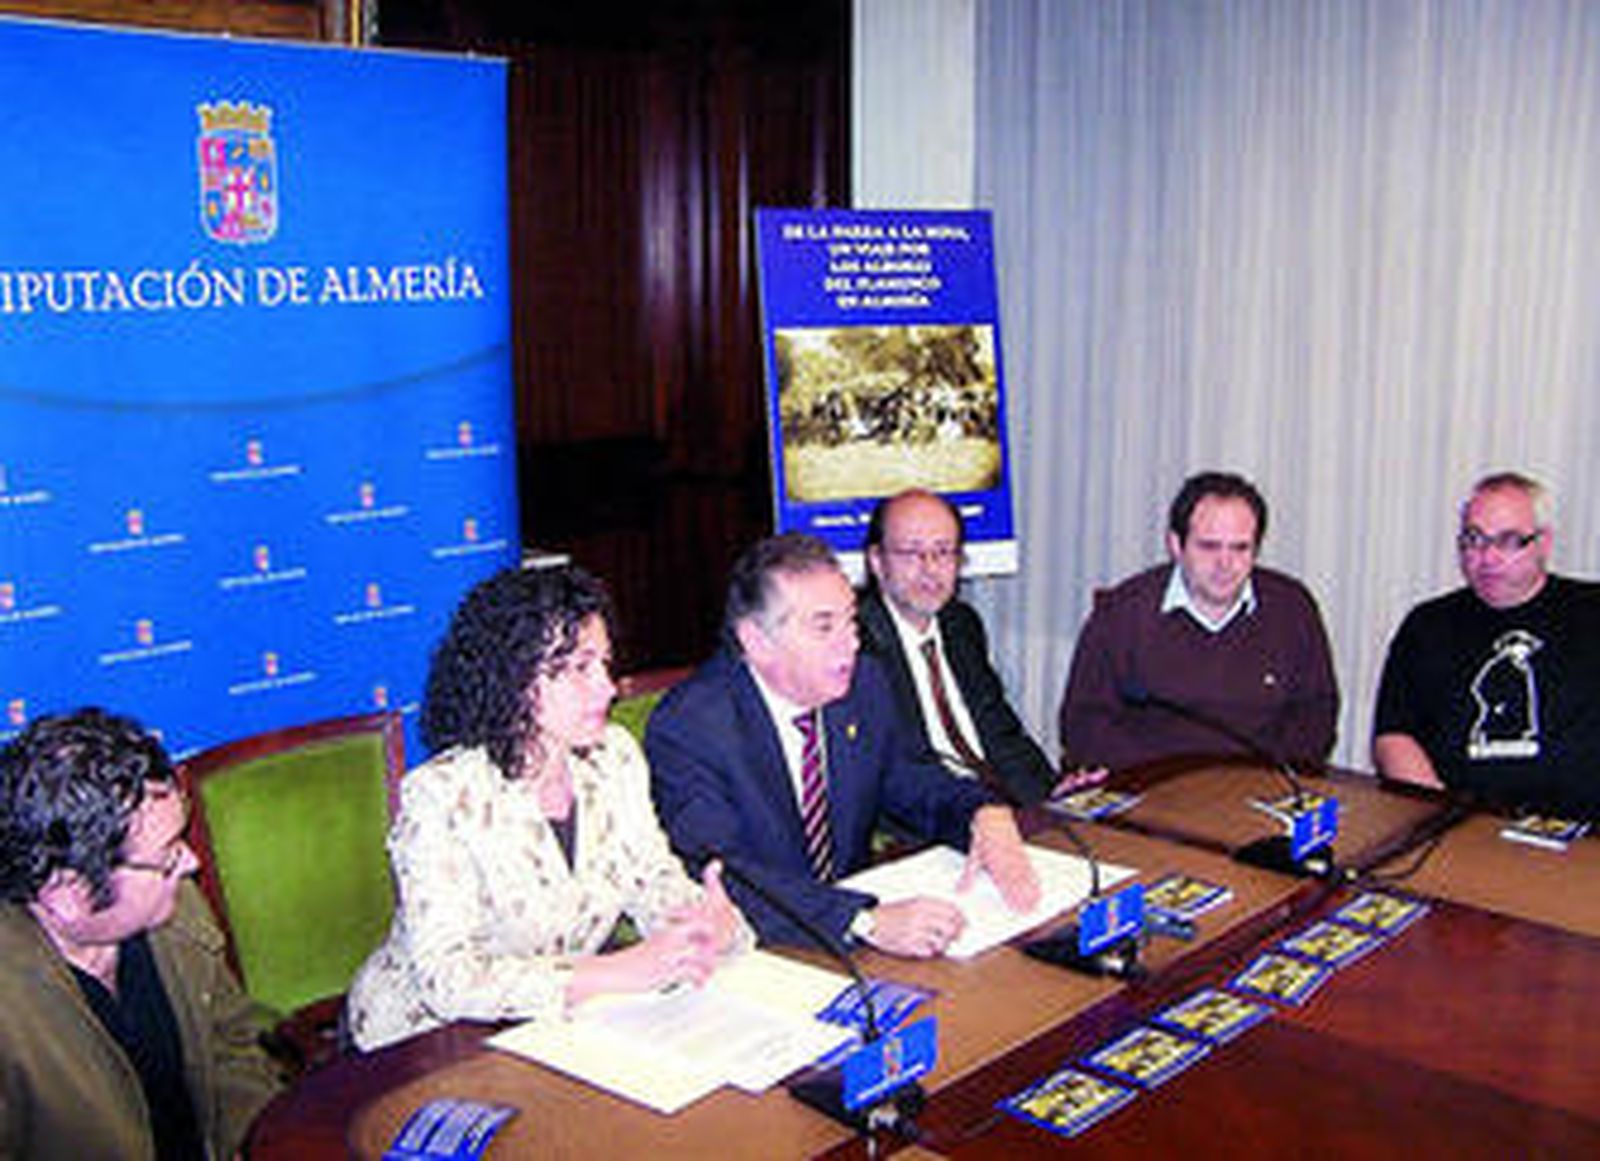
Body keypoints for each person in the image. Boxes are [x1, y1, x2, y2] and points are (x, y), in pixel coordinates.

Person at [347, 564, 746, 1052]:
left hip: (554, 1030)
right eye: (578, 668)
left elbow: (650, 878)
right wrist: (615, 971)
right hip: (429, 1040)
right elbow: (449, 979)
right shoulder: (440, 795)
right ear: (511, 677)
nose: (606, 686)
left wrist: (701, 926)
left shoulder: (615, 757)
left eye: (604, 663)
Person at [646, 532, 1040, 959]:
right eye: (824, 626)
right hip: (760, 950)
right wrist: (862, 921)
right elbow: (726, 874)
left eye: (850, 620)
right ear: (756, 642)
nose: (850, 642)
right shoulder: (691, 726)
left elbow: (912, 781)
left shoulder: (863, 686)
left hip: (857, 951)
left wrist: (982, 813)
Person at [0, 707, 280, 1159]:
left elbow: (233, 1048)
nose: (191, 862)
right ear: (69, 891)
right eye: (167, 855)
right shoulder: (10, 1011)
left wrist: (263, 1145)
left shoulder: (175, 908)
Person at [1058, 471, 1339, 773]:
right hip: (1152, 789)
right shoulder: (1122, 614)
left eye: (1240, 548)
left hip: (1260, 789)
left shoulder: (1292, 608)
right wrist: (1169, 779)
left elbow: (1317, 715)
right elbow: (1083, 724)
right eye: (1209, 547)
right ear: (1176, 545)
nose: (1225, 564)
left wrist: (1261, 780)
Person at [1373, 472, 1600, 818]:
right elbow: (1394, 737)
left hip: (1580, 837)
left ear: (1544, 542)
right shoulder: (1428, 625)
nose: (1488, 558)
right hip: (1456, 827)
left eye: (1509, 540)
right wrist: (1438, 816)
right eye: (1474, 539)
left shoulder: (1590, 613)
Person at [860, 489, 1095, 805]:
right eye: (911, 553)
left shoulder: (961, 623)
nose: (930, 568)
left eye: (944, 552)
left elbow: (1001, 735)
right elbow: (894, 773)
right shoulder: (856, 643)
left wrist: (1050, 794)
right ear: (876, 560)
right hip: (928, 816)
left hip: (995, 803)